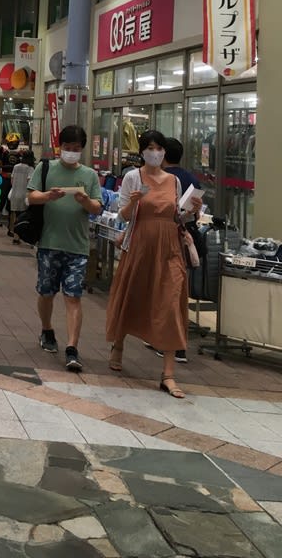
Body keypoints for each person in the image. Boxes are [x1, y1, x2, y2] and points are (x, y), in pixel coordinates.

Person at [106, 130, 201, 397]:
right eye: (150, 147)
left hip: (170, 247)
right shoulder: (132, 177)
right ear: (142, 151)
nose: (155, 152)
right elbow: (122, 217)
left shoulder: (173, 181)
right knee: (132, 295)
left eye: (159, 148)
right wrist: (133, 204)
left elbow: (177, 218)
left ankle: (168, 374)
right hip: (139, 245)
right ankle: (119, 345)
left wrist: (192, 211)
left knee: (172, 302)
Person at [27, 125, 102, 371]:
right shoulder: (46, 168)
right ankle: (47, 329)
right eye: (67, 148)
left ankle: (72, 348)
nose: (71, 153)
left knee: (73, 297)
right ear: (60, 147)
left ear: (82, 149)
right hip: (49, 243)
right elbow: (31, 197)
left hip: (78, 247)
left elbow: (97, 208)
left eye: (76, 149)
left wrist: (85, 201)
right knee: (46, 292)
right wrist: (49, 196)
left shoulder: (89, 176)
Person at [161, 137, 202, 363]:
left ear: (163, 154)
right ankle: (174, 342)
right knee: (178, 289)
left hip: (170, 238)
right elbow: (195, 213)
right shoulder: (192, 178)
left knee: (168, 290)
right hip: (187, 237)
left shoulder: (166, 179)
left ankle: (172, 343)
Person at [8, 149, 35, 243]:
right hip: (24, 195)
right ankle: (17, 236)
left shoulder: (16, 166)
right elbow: (30, 182)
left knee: (15, 215)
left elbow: (12, 180)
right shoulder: (30, 169)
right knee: (22, 216)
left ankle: (15, 235)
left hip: (15, 193)